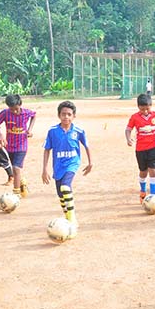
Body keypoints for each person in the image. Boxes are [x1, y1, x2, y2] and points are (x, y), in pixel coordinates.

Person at [41, 101, 92, 238]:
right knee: (60, 195)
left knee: (65, 187)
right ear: (59, 115)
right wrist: (44, 169)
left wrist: (90, 162)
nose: (66, 117)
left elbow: (87, 146)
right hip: (58, 166)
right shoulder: (52, 131)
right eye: (63, 114)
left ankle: (72, 219)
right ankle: (67, 215)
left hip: (72, 163)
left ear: (74, 116)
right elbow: (47, 150)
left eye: (69, 114)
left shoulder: (78, 131)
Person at [0, 94, 36, 197]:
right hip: (10, 145)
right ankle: (22, 182)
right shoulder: (5, 113)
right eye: (12, 109)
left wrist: (30, 130)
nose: (15, 112)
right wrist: (0, 135)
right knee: (16, 168)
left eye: (16, 109)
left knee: (16, 168)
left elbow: (34, 115)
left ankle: (16, 193)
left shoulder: (26, 112)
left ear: (20, 104)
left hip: (22, 145)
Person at [125, 94, 155, 203]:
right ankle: (142, 190)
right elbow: (128, 129)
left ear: (151, 106)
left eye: (147, 109)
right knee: (143, 172)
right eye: (142, 109)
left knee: (153, 172)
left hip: (153, 148)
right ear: (138, 107)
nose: (145, 111)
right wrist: (128, 138)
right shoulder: (134, 117)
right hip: (140, 149)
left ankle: (153, 197)